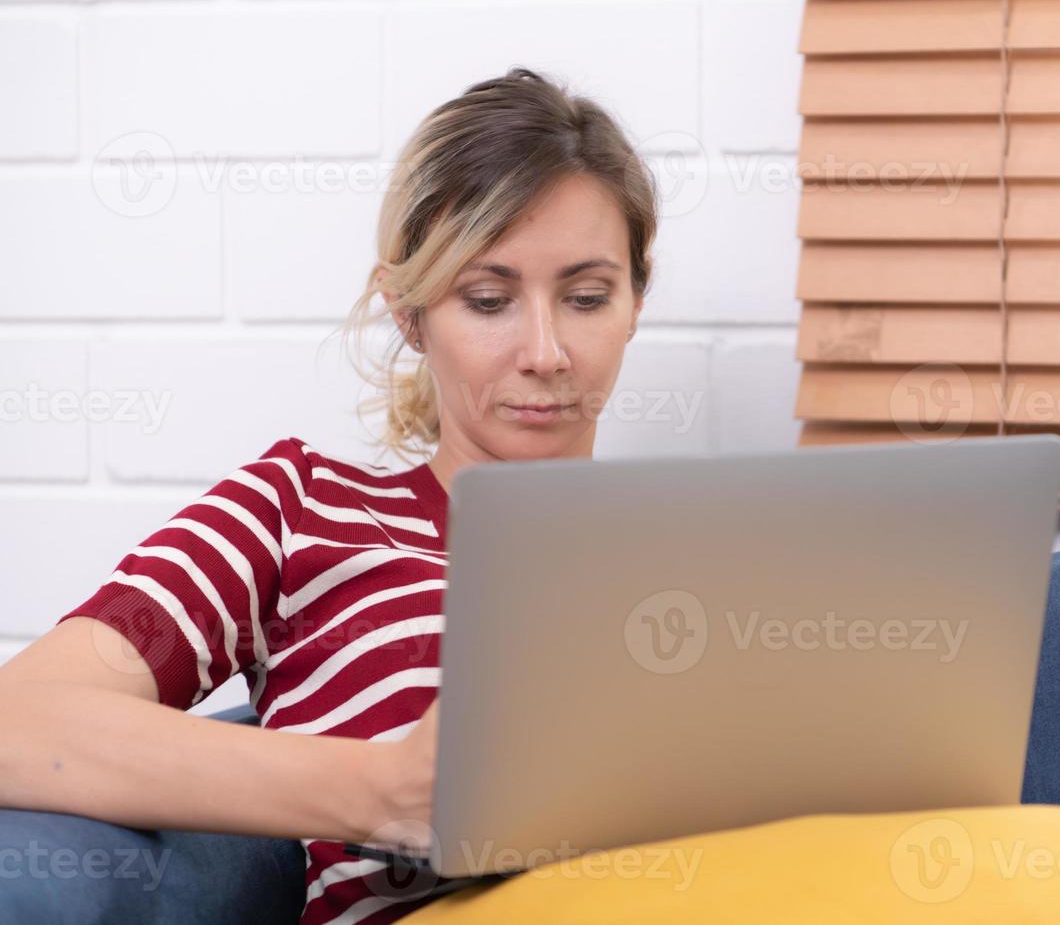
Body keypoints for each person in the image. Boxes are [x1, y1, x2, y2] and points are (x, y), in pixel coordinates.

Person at [0, 66, 654, 925]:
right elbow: (22, 720)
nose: (546, 351)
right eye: (489, 299)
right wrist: (383, 791)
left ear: (636, 300)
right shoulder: (301, 510)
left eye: (586, 297)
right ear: (409, 314)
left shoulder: (703, 561)